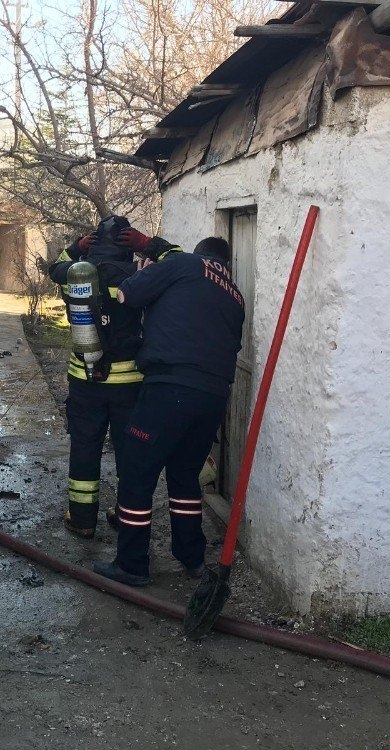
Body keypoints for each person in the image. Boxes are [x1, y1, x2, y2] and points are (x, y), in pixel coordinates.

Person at [93, 228, 245, 586]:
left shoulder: (184, 265)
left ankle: (131, 565)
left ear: (200, 253)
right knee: (184, 477)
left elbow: (127, 294)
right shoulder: (235, 295)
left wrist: (142, 270)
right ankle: (191, 558)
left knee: (137, 471)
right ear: (225, 263)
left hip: (170, 388)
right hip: (213, 397)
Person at [47, 216, 144, 538]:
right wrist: (147, 245)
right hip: (128, 382)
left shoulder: (74, 276)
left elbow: (53, 268)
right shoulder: (139, 276)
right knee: (129, 452)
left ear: (93, 243)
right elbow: (175, 263)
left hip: (85, 377)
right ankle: (126, 515)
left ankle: (82, 519)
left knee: (85, 447)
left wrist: (75, 248)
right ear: (126, 245)